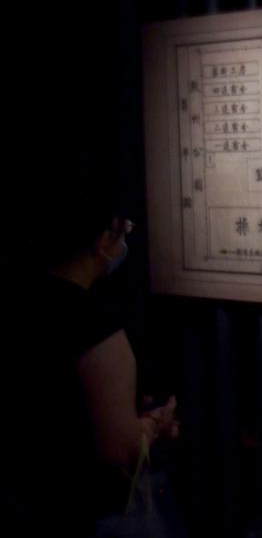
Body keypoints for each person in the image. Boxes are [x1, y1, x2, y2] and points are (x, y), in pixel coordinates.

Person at [2, 190, 180, 536]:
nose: (125, 239)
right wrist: (155, 424)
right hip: (77, 509)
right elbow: (120, 447)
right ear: (103, 239)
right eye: (123, 229)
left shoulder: (20, 299)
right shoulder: (91, 320)